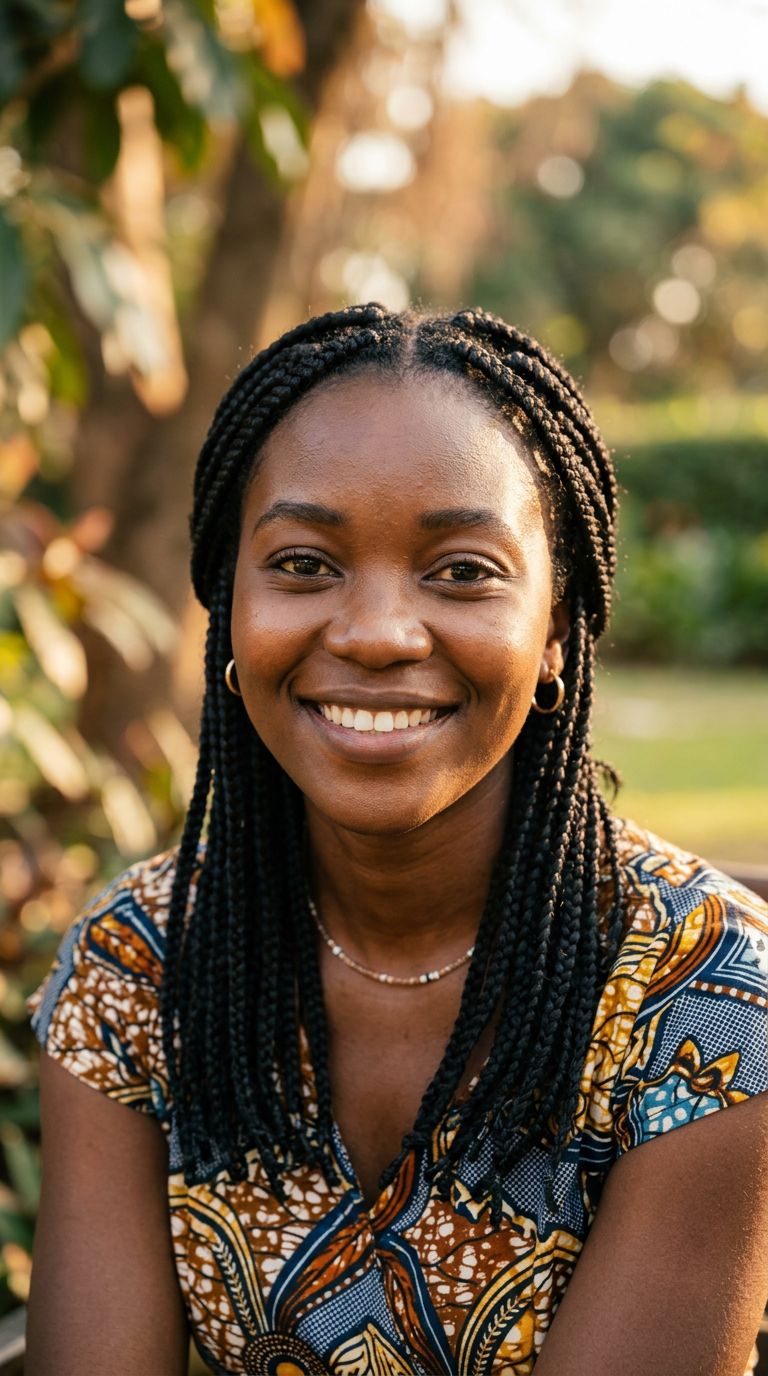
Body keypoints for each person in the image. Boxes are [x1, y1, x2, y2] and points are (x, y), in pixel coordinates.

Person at [26, 305, 768, 1376]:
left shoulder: (713, 1007)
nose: (375, 632)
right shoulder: (137, 966)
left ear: (557, 626)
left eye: (462, 570)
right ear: (228, 606)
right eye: (303, 562)